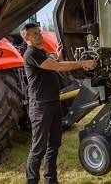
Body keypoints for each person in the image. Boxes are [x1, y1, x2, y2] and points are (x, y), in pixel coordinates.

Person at [21, 22, 97, 184]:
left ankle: (51, 180)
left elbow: (53, 65)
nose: (39, 35)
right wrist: (83, 63)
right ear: (26, 37)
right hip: (41, 107)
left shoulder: (41, 52)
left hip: (54, 104)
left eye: (39, 32)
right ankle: (31, 181)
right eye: (34, 33)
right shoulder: (31, 53)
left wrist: (58, 56)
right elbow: (56, 67)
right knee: (38, 148)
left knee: (54, 144)